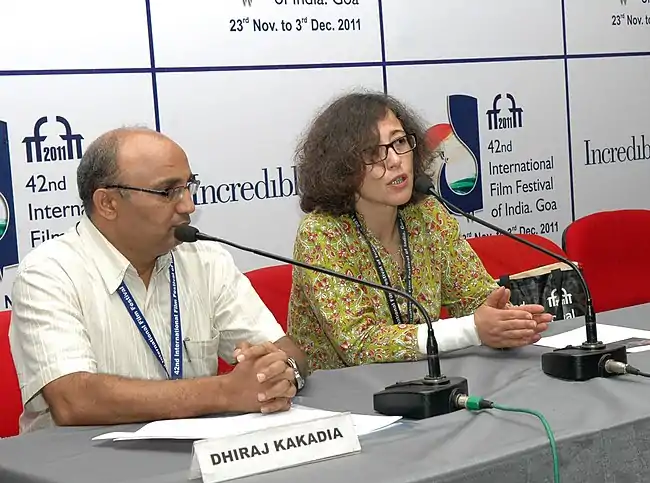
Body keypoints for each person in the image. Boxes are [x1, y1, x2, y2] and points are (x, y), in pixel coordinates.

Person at [9, 127, 307, 433]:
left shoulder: (205, 261)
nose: (188, 205)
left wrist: (277, 372)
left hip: (196, 456)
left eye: (189, 186)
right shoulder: (48, 273)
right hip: (85, 466)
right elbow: (74, 400)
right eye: (168, 192)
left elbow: (286, 350)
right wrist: (226, 392)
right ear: (108, 203)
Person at [288, 92, 552, 372]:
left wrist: (502, 318)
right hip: (343, 399)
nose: (394, 160)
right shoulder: (321, 234)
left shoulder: (428, 215)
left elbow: (473, 297)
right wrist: (471, 330)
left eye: (399, 142)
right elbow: (360, 345)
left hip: (425, 381)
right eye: (372, 152)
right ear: (341, 167)